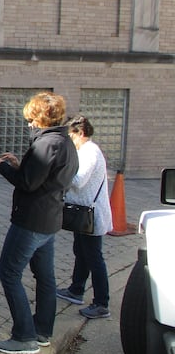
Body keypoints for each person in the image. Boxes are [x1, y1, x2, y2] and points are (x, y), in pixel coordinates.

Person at [0, 92, 78, 354]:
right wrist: (19, 165)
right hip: (50, 219)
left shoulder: (46, 144)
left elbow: (28, 183)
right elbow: (40, 176)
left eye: (31, 119)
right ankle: (41, 331)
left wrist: (3, 168)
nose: (29, 124)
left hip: (31, 220)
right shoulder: (65, 141)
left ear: (40, 118)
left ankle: (24, 336)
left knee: (9, 272)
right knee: (45, 276)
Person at [55, 115, 112, 319]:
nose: (69, 141)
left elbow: (78, 181)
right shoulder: (84, 151)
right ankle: (76, 289)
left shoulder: (90, 152)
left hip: (92, 215)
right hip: (84, 213)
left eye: (70, 136)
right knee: (81, 251)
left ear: (80, 133)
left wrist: (60, 169)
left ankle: (101, 303)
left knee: (94, 257)